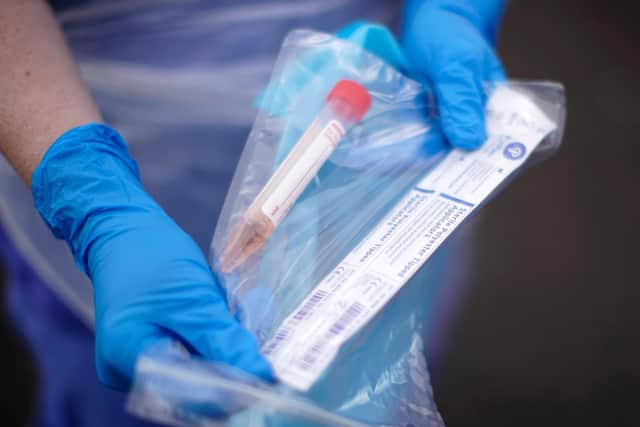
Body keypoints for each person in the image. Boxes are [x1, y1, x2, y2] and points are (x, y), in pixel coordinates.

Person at [0, 0, 506, 425]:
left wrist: (451, 7)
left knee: (361, 351)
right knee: (145, 388)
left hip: (376, 132)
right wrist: (96, 203)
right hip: (91, 124)